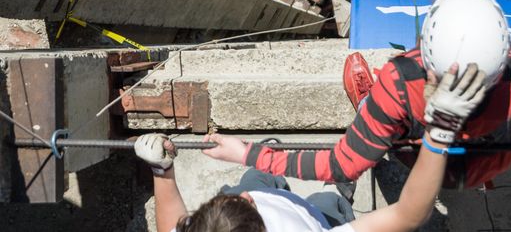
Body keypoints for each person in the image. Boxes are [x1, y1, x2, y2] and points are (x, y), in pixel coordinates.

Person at [208, 0, 511, 190]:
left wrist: (249, 153)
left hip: (422, 165)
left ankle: (367, 107)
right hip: (481, 167)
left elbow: (339, 166)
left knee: (387, 106)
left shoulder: (401, 82)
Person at [135, 61, 485, 231]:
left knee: (256, 178)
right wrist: (442, 128)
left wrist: (161, 168)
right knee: (327, 200)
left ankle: (266, 165)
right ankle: (341, 183)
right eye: (245, 204)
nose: (245, 197)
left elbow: (172, 227)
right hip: (316, 219)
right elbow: (408, 214)